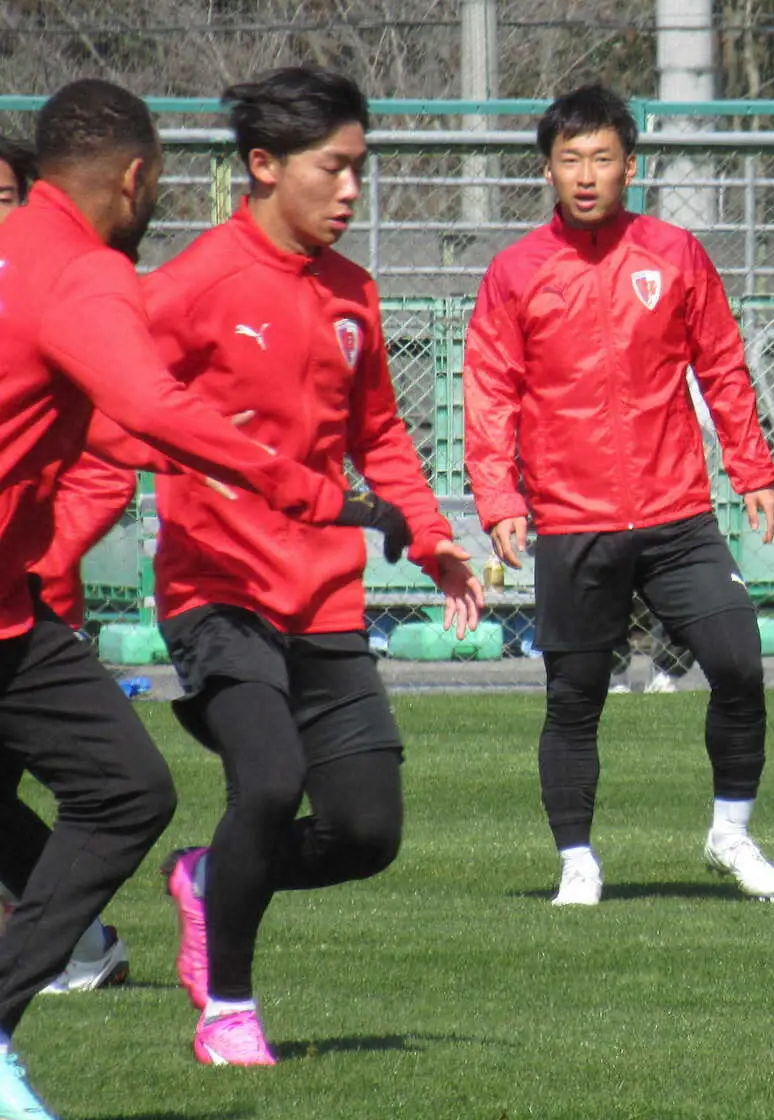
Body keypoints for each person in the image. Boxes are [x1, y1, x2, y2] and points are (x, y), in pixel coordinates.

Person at [0, 79, 410, 1119]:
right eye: (334, 166)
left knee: (128, 789)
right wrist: (308, 489)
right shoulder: (92, 274)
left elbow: (109, 428)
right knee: (152, 790)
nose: (348, 188)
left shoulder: (18, 253)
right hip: (189, 591)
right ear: (135, 179)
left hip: (16, 610)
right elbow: (149, 407)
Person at [119, 66, 482, 1067]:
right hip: (216, 591)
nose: (352, 189)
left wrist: (429, 536)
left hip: (323, 594)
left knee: (367, 833)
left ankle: (207, 878)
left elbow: (380, 434)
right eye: (334, 167)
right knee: (271, 783)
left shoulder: (353, 293)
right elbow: (114, 402)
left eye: (361, 167)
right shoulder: (192, 286)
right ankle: (228, 1012)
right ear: (265, 166)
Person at [464, 83, 774, 907]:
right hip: (574, 523)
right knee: (574, 699)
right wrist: (499, 498)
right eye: (570, 159)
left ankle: (731, 835)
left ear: (630, 167)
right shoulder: (515, 273)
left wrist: (752, 468)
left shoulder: (676, 255)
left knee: (738, 664)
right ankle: (577, 860)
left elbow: (722, 363)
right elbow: (490, 391)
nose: (586, 175)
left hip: (678, 515)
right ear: (546, 170)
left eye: (602, 159)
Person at [0, 135, 136, 998]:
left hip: (29, 604)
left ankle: (76, 947)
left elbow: (108, 461)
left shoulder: (55, 302)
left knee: (117, 788)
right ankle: (78, 946)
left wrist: (41, 553)